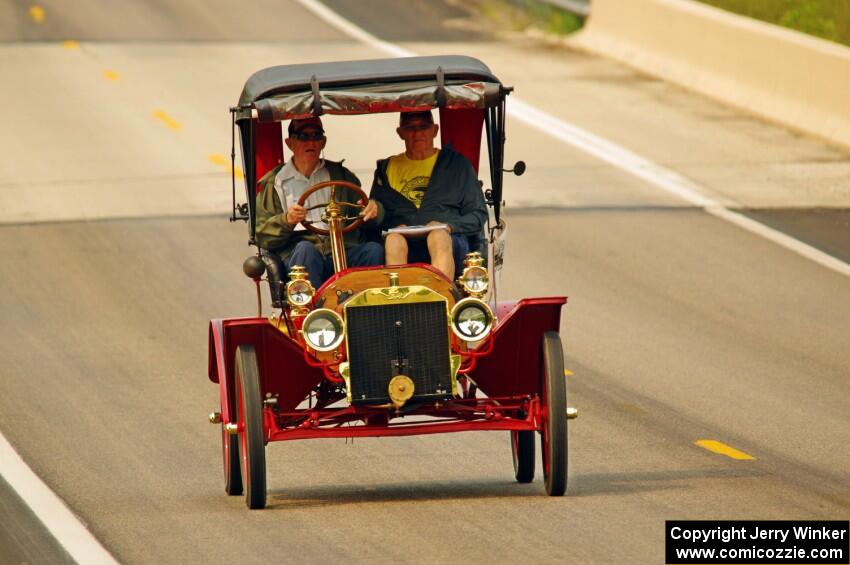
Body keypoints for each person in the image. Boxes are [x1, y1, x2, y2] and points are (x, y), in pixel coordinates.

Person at [256, 116, 384, 289]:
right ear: (289, 143)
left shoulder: (341, 175)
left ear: (323, 142)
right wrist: (287, 220)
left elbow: (364, 213)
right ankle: (313, 313)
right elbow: (262, 235)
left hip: (343, 247)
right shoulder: (275, 182)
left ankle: (367, 310)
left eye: (316, 136)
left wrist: (373, 209)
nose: (311, 142)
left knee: (373, 251)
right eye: (303, 136)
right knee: (305, 250)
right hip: (301, 254)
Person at [370, 110, 487, 280]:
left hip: (449, 240)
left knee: (438, 236)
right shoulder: (386, 168)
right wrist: (386, 221)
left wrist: (448, 226)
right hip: (403, 240)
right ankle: (400, 300)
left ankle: (442, 296)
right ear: (400, 133)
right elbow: (376, 216)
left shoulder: (457, 165)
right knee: (394, 239)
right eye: (410, 128)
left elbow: (478, 214)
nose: (418, 133)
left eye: (423, 127)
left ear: (435, 130)